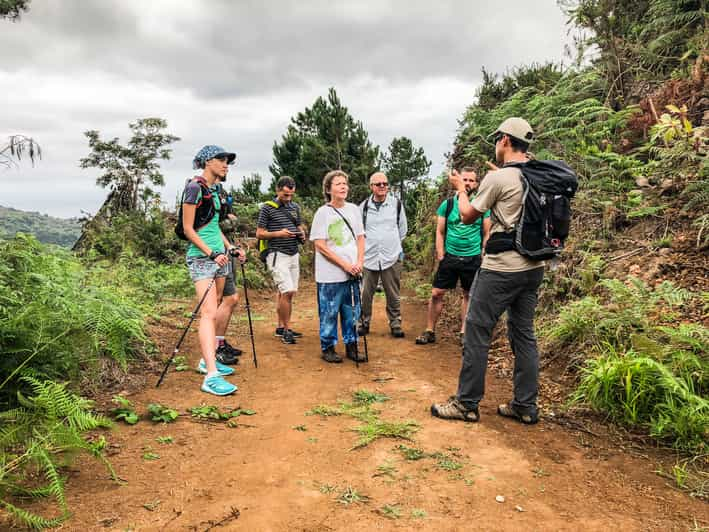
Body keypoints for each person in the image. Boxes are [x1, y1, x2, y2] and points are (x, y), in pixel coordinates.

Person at [431, 117, 544, 424]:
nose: (496, 145)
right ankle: (525, 405)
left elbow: (467, 216)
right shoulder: (538, 175)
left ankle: (466, 403)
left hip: (501, 269)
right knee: (524, 335)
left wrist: (460, 190)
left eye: (497, 140)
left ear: (505, 140)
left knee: (477, 331)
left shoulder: (499, 179)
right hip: (534, 268)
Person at [182, 145, 246, 396]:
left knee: (219, 303)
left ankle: (205, 360)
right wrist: (211, 253)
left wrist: (229, 248)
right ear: (208, 162)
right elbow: (188, 229)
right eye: (221, 160)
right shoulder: (194, 188)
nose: (226, 164)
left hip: (219, 257)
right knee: (208, 313)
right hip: (202, 258)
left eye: (227, 161)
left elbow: (212, 226)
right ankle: (211, 375)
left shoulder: (213, 191)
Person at [415, 168, 490, 346]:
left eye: (472, 180)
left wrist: (484, 251)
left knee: (468, 295)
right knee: (436, 293)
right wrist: (440, 252)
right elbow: (440, 231)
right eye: (465, 179)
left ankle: (464, 332)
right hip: (450, 256)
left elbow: (488, 231)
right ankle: (430, 330)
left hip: (472, 257)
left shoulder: (481, 206)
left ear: (477, 184)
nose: (468, 183)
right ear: (458, 181)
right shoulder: (447, 205)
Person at [309, 170, 366, 363]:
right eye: (338, 184)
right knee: (329, 312)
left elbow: (360, 237)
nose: (343, 187)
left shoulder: (354, 210)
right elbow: (320, 245)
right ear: (328, 189)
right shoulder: (322, 213)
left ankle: (352, 345)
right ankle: (328, 347)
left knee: (351, 311)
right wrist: (344, 265)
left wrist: (359, 262)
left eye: (345, 183)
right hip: (330, 274)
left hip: (352, 273)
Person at [256, 176, 306, 345]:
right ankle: (287, 329)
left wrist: (301, 233)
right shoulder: (267, 208)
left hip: (293, 253)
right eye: (285, 194)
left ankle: (280, 327)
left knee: (287, 292)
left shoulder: (295, 207)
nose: (288, 198)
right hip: (277, 253)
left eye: (291, 194)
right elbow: (260, 233)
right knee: (287, 291)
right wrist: (279, 233)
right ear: (277, 190)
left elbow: (298, 225)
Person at [358, 172, 407, 338]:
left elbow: (402, 230)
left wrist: (394, 248)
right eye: (378, 184)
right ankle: (363, 322)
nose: (382, 187)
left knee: (393, 293)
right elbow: (359, 232)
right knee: (365, 293)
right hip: (368, 256)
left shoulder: (396, 205)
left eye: (385, 184)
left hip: (391, 256)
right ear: (371, 186)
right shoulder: (363, 207)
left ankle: (395, 323)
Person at [212, 176, 242, 365]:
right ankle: (214, 347)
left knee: (230, 298)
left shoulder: (219, 191)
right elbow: (213, 224)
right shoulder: (200, 190)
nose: (226, 166)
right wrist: (228, 221)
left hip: (226, 249)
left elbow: (230, 220)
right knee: (219, 300)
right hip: (213, 252)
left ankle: (219, 342)